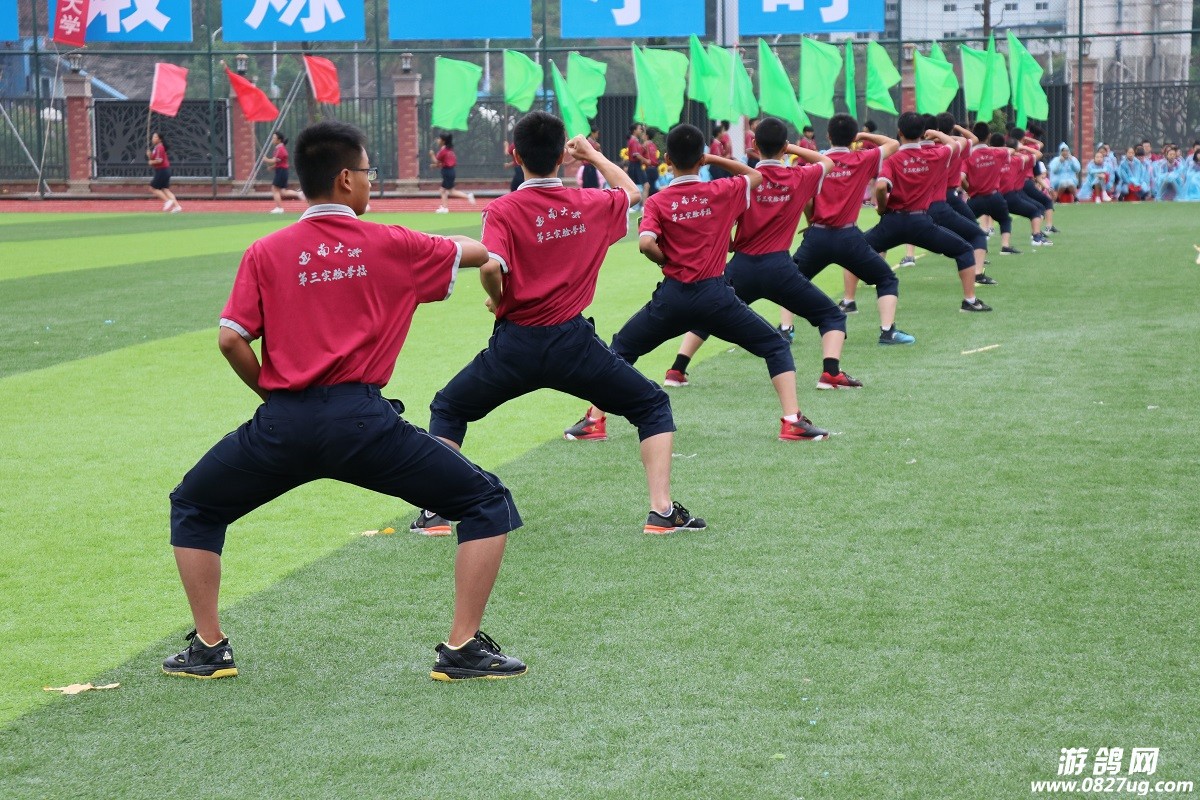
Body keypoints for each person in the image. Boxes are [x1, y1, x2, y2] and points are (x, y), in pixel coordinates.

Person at [162, 120, 525, 683]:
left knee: (195, 506)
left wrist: (275, 395)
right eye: (368, 172)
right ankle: (461, 649)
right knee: (486, 502)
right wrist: (476, 248)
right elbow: (477, 253)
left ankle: (209, 649)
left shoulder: (265, 251)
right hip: (363, 423)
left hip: (283, 422)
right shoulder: (394, 243)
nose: (371, 182)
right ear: (346, 179)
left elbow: (231, 339)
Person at [412, 111, 704, 538]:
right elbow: (631, 192)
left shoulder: (503, 210)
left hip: (515, 344)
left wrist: (497, 298)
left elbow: (490, 266)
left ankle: (435, 512)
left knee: (450, 408)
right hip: (573, 344)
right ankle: (661, 511)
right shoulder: (590, 202)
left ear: (515, 155)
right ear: (562, 158)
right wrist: (592, 155)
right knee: (651, 405)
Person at [566, 123, 829, 442]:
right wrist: (713, 159)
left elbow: (646, 243)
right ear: (701, 158)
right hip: (716, 296)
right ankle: (792, 421)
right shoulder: (722, 191)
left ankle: (594, 421)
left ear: (667, 159)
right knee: (774, 346)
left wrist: (665, 261)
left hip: (673, 297)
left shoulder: (658, 201)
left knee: (621, 348)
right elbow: (755, 176)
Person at [658, 117, 855, 391]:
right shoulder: (798, 177)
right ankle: (831, 373)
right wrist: (790, 148)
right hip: (780, 268)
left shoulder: (743, 183)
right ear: (784, 146)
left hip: (742, 267)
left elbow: (722, 223)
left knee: (708, 313)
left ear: (754, 144)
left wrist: (728, 242)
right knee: (832, 316)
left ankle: (677, 370)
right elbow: (827, 162)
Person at [783, 113, 915, 343]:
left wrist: (811, 222)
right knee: (886, 279)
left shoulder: (818, 163)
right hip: (848, 237)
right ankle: (888, 331)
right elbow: (893, 144)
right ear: (853, 137)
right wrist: (863, 135)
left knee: (788, 281)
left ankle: (786, 330)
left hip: (818, 235)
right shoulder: (863, 158)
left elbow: (806, 201)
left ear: (828, 136)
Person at [854, 112, 986, 314]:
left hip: (894, 220)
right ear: (923, 133)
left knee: (853, 250)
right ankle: (969, 300)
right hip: (921, 221)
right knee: (964, 250)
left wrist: (881, 207)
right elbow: (955, 144)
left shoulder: (893, 158)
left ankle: (848, 300)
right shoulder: (936, 155)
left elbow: (880, 187)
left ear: (899, 132)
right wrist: (937, 133)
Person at [965, 128, 1020, 256]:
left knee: (966, 221)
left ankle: (975, 246)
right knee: (1005, 220)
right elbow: (1012, 150)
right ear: (988, 136)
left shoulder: (969, 155)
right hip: (994, 196)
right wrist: (991, 148)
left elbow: (961, 177)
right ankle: (1005, 246)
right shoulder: (996, 152)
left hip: (976, 198)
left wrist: (969, 188)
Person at [430, 132, 475, 213]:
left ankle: (467, 196)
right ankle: (444, 207)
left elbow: (436, 161)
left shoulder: (443, 151)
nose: (437, 140)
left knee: (449, 191)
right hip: (450, 171)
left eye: (439, 138)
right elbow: (444, 163)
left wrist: (431, 155)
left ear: (443, 141)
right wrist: (435, 166)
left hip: (447, 172)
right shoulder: (449, 150)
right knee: (444, 190)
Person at [263, 131, 304, 213]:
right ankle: (299, 194)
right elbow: (280, 162)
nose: (272, 140)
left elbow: (274, 160)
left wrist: (266, 159)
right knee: (282, 191)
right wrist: (272, 167)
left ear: (279, 140)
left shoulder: (280, 149)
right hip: (282, 171)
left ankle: (279, 208)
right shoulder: (279, 148)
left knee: (274, 189)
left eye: (274, 138)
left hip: (281, 172)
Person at [146, 131, 182, 213]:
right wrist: (150, 156)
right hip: (165, 170)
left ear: (160, 139)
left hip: (162, 170)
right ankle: (177, 207)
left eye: (155, 137)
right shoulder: (157, 148)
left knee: (153, 188)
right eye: (153, 137)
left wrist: (151, 162)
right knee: (165, 189)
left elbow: (159, 160)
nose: (153, 139)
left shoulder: (159, 147)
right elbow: (155, 158)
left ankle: (167, 201)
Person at [643, 128, 661, 196]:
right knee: (654, 188)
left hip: (649, 169)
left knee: (649, 189)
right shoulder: (653, 145)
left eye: (644, 134)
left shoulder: (645, 145)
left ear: (646, 136)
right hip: (655, 169)